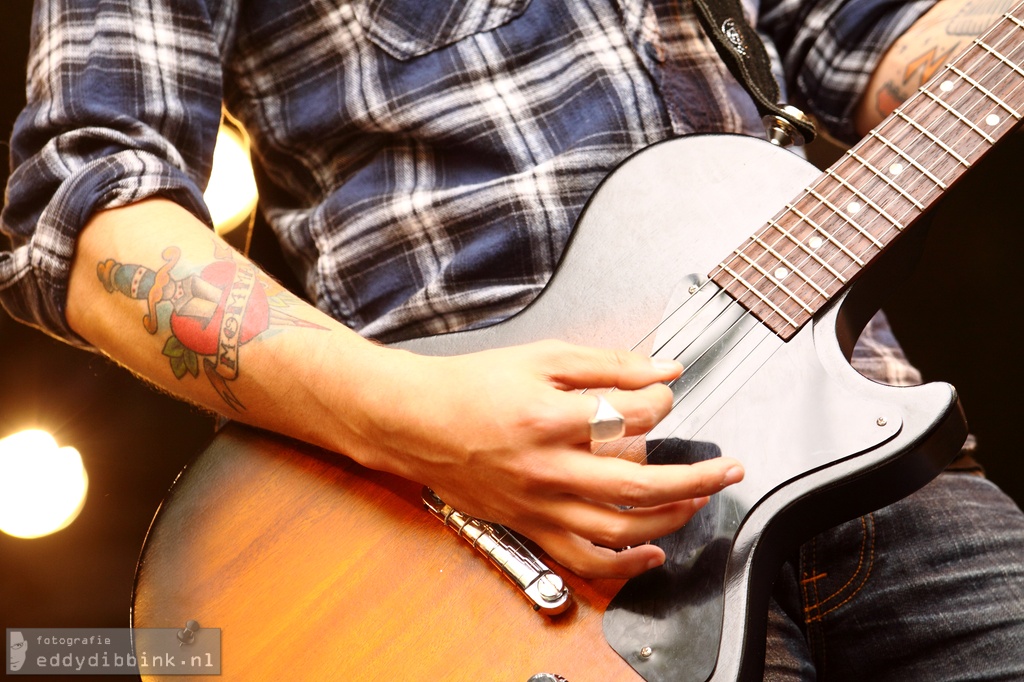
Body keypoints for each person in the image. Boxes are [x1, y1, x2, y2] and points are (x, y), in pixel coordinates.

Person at [2, 0, 1022, 678]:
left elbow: (878, 42)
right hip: (487, 538)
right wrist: (429, 424)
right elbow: (95, 221)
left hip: (873, 460)